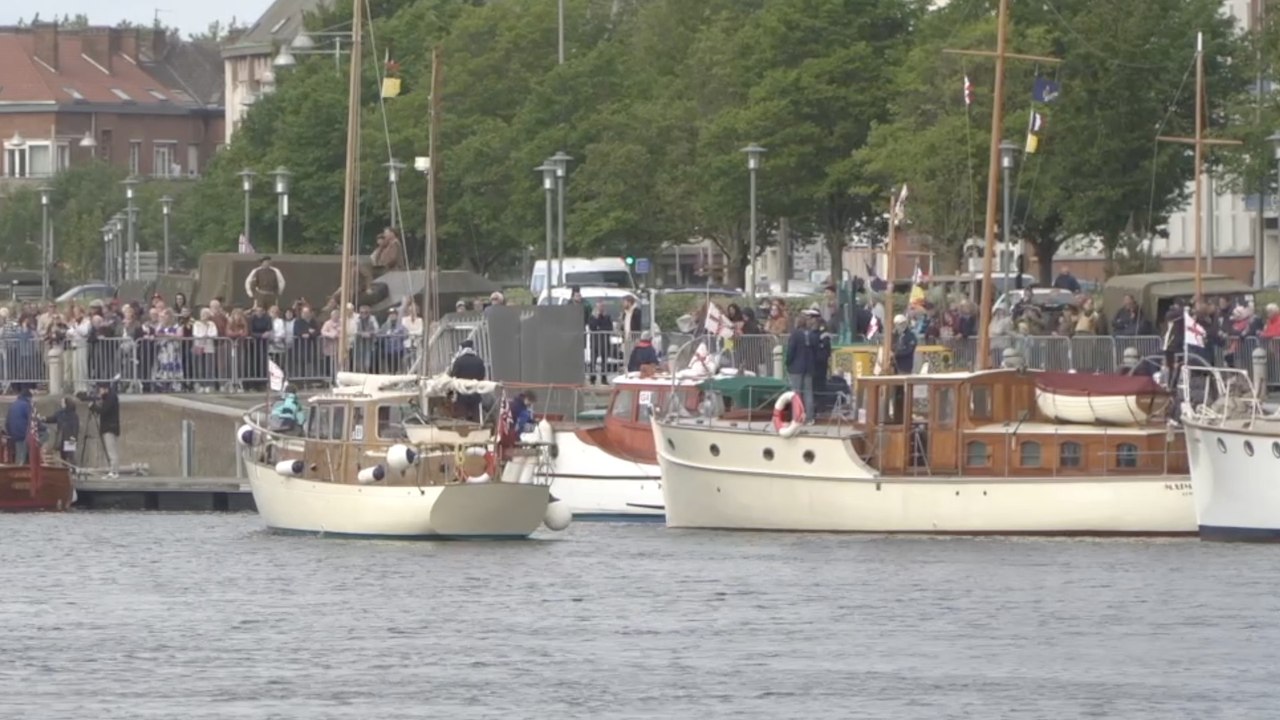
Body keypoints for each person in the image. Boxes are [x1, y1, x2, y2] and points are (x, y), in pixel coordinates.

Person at [785, 309, 818, 418]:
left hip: (796, 367)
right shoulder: (812, 335)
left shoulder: (795, 334)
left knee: (796, 393)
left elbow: (791, 351)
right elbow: (815, 351)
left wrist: (787, 363)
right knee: (808, 393)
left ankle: (797, 417)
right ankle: (809, 417)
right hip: (809, 367)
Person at [449, 339, 487, 421]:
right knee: (477, 417)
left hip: (462, 393)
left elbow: (453, 377)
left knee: (462, 418)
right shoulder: (479, 361)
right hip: (475, 392)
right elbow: (482, 376)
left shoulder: (458, 361)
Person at [91, 382, 121, 478]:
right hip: (108, 427)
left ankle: (114, 471)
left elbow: (104, 411)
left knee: (112, 451)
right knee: (110, 451)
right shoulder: (109, 397)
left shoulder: (111, 398)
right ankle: (112, 471)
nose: (99, 391)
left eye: (100, 389)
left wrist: (93, 407)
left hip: (110, 427)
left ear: (105, 389)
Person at [43, 396, 80, 464]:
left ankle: (73, 471)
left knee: (70, 456)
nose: (61, 404)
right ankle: (65, 470)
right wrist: (44, 419)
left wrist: (74, 438)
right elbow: (53, 418)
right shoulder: (60, 413)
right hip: (62, 438)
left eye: (62, 402)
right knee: (63, 457)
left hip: (70, 438)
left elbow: (75, 428)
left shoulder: (74, 415)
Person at [5, 387, 33, 465]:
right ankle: (21, 469)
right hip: (23, 434)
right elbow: (32, 420)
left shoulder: (13, 405)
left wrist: (10, 433)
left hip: (13, 434)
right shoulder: (27, 405)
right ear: (29, 397)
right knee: (21, 455)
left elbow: (7, 421)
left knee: (19, 452)